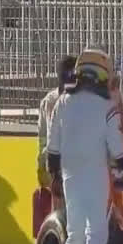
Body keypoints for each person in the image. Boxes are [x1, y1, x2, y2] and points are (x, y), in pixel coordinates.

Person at [45, 47, 123, 244]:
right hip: (95, 174)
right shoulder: (107, 107)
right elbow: (117, 147)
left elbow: (53, 146)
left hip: (69, 174)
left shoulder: (63, 103)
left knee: (74, 231)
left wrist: (55, 175)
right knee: (96, 230)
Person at [36, 54, 76, 189]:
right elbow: (42, 138)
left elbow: (42, 138)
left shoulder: (50, 101)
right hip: (58, 169)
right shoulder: (49, 101)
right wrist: (41, 167)